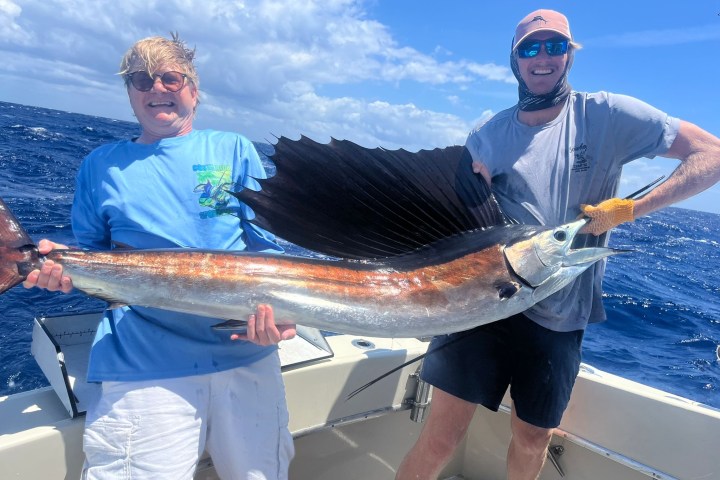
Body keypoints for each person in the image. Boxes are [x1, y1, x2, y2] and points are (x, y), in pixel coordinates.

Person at [396, 9, 720, 480]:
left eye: (555, 47)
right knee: (440, 437)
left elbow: (710, 154)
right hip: (481, 307)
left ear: (570, 55)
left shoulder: (607, 115)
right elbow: (455, 223)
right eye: (530, 48)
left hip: (559, 314)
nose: (542, 57)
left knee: (532, 441)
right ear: (515, 59)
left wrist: (632, 208)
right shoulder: (487, 137)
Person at [23, 34, 296, 480]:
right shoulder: (100, 163)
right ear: (130, 92)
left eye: (171, 77)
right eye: (141, 79)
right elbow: (91, 257)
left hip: (245, 356)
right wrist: (58, 270)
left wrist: (282, 315)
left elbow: (266, 250)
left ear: (193, 89)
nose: (157, 88)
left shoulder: (233, 149)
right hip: (142, 364)